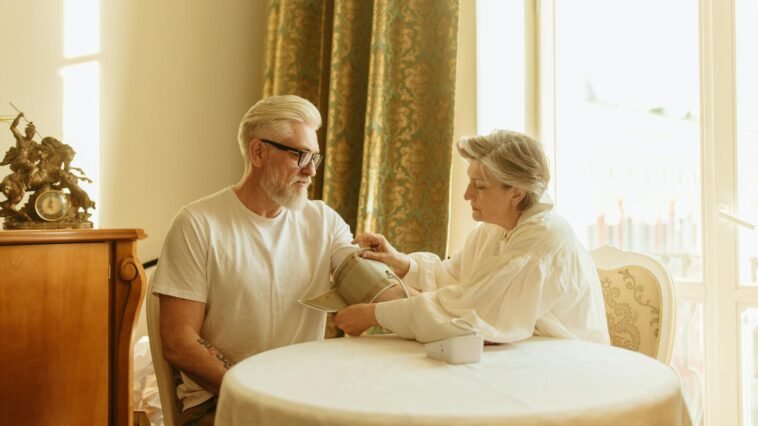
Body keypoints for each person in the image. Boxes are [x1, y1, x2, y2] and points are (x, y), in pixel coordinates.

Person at [151, 95, 357, 426]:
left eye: (315, 157)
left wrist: (412, 276)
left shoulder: (323, 221)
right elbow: (179, 342)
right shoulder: (198, 223)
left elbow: (368, 282)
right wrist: (257, 391)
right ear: (258, 152)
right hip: (220, 399)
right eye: (300, 154)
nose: (311, 169)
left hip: (304, 399)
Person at [334, 130, 610, 345]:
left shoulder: (544, 237)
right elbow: (455, 279)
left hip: (565, 362)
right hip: (524, 352)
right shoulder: (494, 228)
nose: (467, 195)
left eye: (479, 186)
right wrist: (401, 263)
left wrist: (373, 315)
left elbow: (470, 314)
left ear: (516, 193)